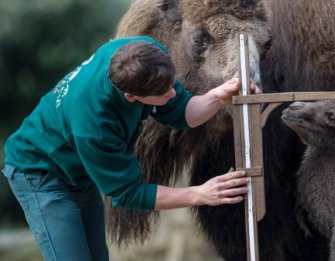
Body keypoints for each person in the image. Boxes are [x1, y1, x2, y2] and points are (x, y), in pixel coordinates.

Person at [2, 36, 258, 261]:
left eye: (171, 84)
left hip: (78, 170)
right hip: (39, 172)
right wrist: (200, 194)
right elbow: (128, 193)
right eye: (163, 93)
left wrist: (216, 96)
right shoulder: (95, 123)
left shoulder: (145, 53)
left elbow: (181, 112)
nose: (172, 93)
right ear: (132, 97)